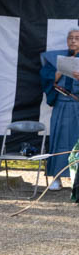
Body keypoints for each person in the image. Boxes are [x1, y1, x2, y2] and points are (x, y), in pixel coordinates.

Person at [40, 28, 79, 190]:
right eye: (70, 38)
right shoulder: (55, 58)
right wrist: (59, 72)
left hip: (78, 103)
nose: (73, 41)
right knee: (59, 140)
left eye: (77, 38)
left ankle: (76, 180)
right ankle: (56, 177)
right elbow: (46, 79)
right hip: (62, 105)